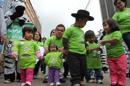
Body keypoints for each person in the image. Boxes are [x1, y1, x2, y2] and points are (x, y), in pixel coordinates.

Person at [63, 9, 94, 86]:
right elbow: (65, 38)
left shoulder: (82, 31)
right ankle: (75, 82)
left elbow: (83, 41)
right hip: (72, 53)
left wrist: (86, 47)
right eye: (85, 21)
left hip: (82, 53)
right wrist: (66, 49)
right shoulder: (70, 29)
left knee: (83, 68)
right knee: (75, 68)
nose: (85, 23)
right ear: (79, 19)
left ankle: (79, 81)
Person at [100, 19, 127, 86]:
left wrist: (105, 41)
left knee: (121, 70)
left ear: (112, 25)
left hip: (120, 55)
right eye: (103, 26)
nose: (104, 27)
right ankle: (114, 81)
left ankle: (121, 82)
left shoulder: (117, 32)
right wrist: (99, 45)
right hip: (110, 57)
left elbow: (115, 40)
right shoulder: (105, 36)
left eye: (105, 25)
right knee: (112, 70)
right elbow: (101, 44)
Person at [112, 0, 130, 78]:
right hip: (125, 33)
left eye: (119, 3)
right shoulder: (116, 14)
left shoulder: (129, 10)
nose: (118, 5)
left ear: (124, 2)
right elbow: (112, 24)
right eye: (116, 4)